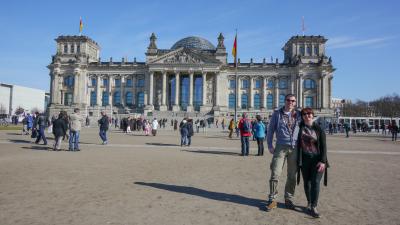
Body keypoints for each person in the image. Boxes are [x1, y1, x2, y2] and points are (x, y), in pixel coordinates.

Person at [266, 94, 302, 211]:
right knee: (275, 173)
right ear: (285, 101)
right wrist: (270, 145)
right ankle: (272, 199)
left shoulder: (299, 115)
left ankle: (288, 199)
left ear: (295, 102)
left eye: (293, 100)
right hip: (280, 147)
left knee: (292, 176)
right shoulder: (277, 114)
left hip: (295, 148)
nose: (290, 102)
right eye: (288, 100)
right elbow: (270, 130)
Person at [296, 108, 329, 218]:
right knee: (307, 182)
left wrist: (323, 161)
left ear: (313, 115)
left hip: (317, 160)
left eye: (309, 113)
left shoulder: (319, 129)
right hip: (304, 159)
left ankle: (314, 206)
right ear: (302, 116)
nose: (307, 115)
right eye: (304, 114)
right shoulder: (299, 128)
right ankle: (309, 203)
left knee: (315, 182)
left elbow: (324, 147)